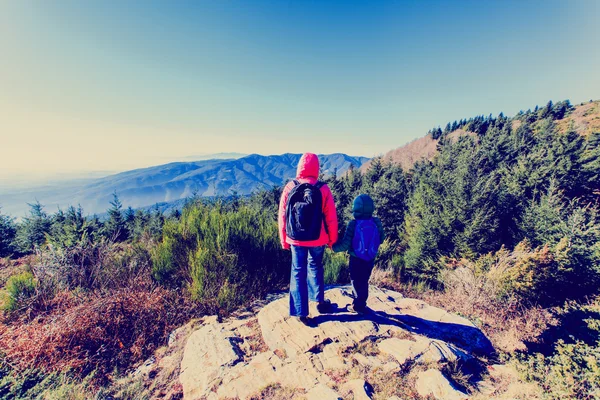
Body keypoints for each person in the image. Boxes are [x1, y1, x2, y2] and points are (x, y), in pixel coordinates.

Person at [278, 153, 338, 324]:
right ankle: (319, 302)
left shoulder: (290, 187)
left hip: (295, 238)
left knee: (298, 271)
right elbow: (331, 218)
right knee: (316, 266)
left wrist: (283, 238)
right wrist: (332, 240)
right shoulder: (323, 188)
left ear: (299, 167)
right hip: (318, 238)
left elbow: (282, 215)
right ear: (317, 168)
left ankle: (300, 311)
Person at [333, 194, 384, 313]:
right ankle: (362, 303)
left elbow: (346, 243)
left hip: (356, 258)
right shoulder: (376, 221)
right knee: (364, 280)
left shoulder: (353, 223)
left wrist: (334, 248)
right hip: (370, 258)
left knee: (355, 280)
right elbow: (381, 239)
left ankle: (357, 305)